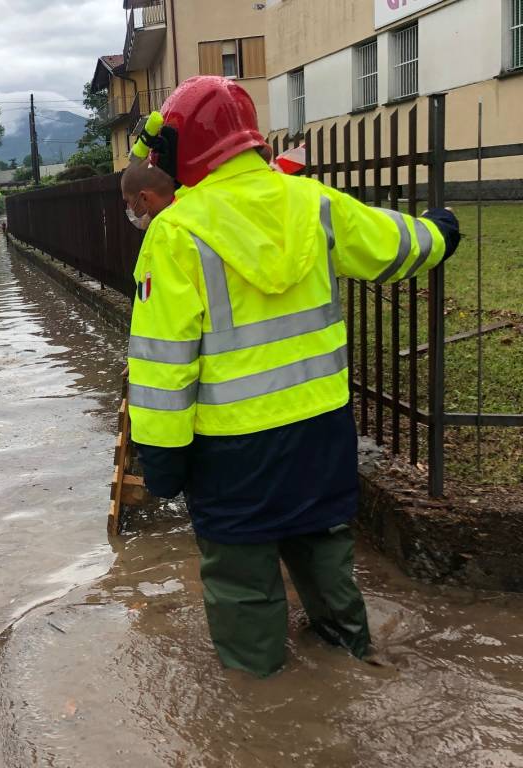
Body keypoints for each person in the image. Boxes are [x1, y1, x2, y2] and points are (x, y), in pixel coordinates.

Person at [125, 76, 461, 678]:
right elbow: (394, 245)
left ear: (188, 149)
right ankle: (351, 656)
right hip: (320, 430)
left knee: (240, 576)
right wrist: (440, 231)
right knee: (323, 546)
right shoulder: (312, 202)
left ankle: (259, 695)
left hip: (230, 449)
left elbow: (162, 364)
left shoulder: (176, 232)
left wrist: (162, 457)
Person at [120, 162, 177, 229]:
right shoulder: (188, 205)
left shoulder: (164, 232)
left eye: (128, 201)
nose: (129, 208)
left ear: (144, 198)